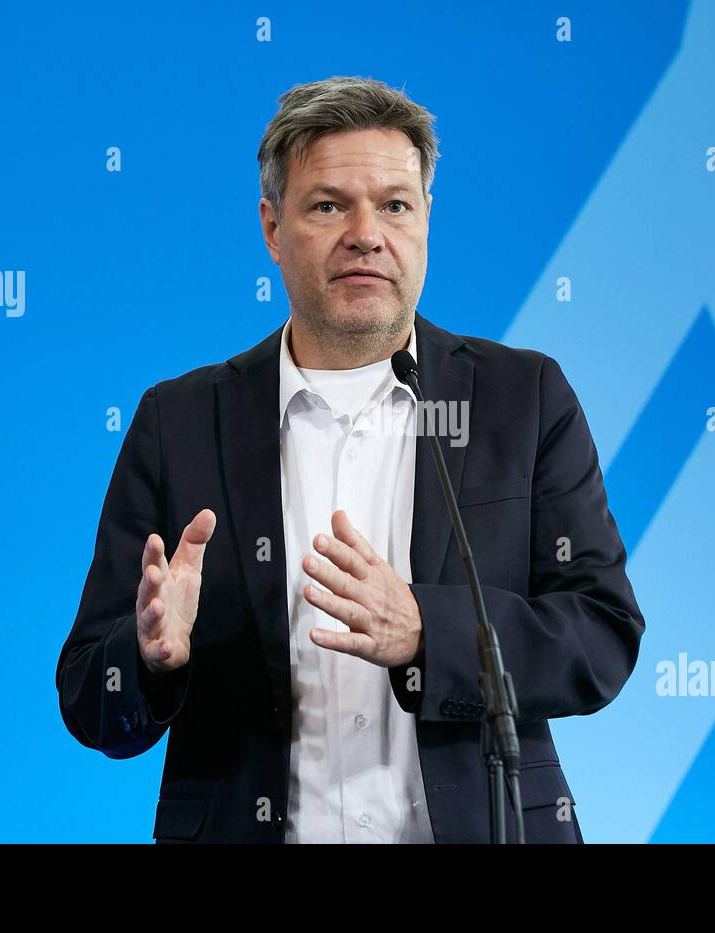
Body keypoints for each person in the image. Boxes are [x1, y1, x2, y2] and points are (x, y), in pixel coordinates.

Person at [55, 75, 645, 843]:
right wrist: (151, 657)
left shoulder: (522, 397)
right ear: (271, 228)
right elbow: (89, 701)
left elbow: (602, 634)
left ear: (427, 219)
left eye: (395, 204)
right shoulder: (179, 422)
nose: (366, 233)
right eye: (328, 205)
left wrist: (430, 631)